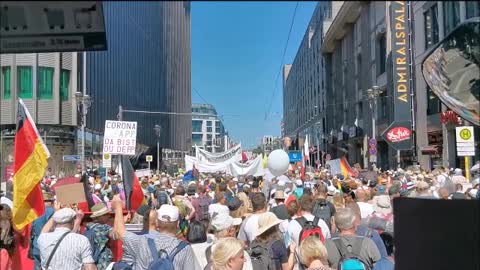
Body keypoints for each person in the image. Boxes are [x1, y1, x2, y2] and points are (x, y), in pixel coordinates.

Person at [111, 195, 201, 270]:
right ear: (177, 224)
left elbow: (119, 232)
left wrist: (118, 207)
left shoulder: (141, 241)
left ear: (157, 223)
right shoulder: (185, 249)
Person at [84, 203, 114, 270]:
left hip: (91, 262)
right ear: (98, 217)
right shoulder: (103, 228)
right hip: (102, 263)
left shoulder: (88, 227)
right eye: (105, 214)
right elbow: (116, 234)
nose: (108, 216)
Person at [30, 192, 55, 270]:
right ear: (51, 202)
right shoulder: (51, 211)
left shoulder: (34, 211)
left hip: (36, 243)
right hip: (48, 244)